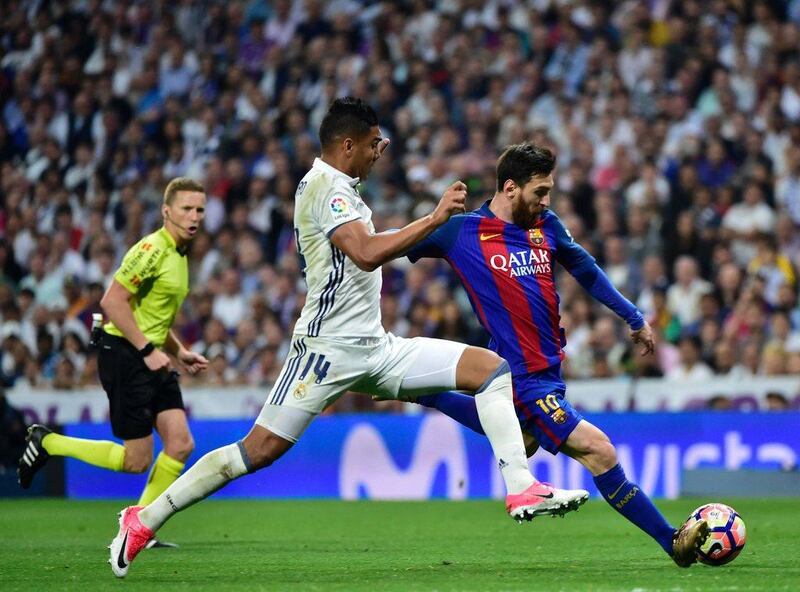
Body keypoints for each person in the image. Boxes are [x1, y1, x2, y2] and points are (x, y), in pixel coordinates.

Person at [107, 98, 587, 578]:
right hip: (325, 352)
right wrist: (434, 219)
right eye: (376, 142)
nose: (381, 151)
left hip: (375, 348)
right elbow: (364, 253)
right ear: (348, 144)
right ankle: (144, 519)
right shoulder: (327, 188)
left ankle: (522, 487)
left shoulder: (340, 188)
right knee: (258, 451)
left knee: (489, 370)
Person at [405, 143, 709, 567]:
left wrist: (633, 316)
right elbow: (394, 247)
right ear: (510, 187)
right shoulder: (461, 231)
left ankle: (424, 392)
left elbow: (585, 268)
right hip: (521, 373)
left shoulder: (545, 225)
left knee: (524, 439)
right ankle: (671, 540)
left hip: (548, 371)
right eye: (540, 191)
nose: (547, 200)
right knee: (599, 449)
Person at [18, 177, 210, 548]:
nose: (194, 216)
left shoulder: (182, 255)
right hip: (125, 354)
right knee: (137, 460)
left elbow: (154, 315)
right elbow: (113, 302)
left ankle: (139, 528)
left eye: (200, 209)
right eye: (186, 208)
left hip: (150, 355)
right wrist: (146, 351)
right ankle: (49, 442)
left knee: (181, 443)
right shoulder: (152, 249)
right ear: (166, 211)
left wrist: (178, 350)